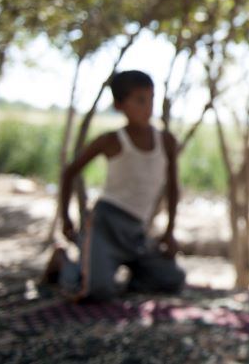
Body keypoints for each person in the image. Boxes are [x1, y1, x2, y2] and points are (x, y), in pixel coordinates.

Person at [45, 70, 186, 301]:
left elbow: (172, 188)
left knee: (172, 279)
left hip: (137, 231)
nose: (148, 107)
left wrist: (170, 232)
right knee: (93, 291)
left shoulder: (166, 141)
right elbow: (70, 172)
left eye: (151, 99)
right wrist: (66, 218)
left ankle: (109, 270)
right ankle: (64, 263)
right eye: (140, 100)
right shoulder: (111, 140)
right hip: (105, 224)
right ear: (120, 105)